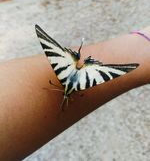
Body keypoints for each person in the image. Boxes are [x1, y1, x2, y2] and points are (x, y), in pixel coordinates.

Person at [0, 27, 150, 161]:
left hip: (73, 73)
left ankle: (141, 46)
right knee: (105, 73)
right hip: (78, 75)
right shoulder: (78, 87)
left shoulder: (72, 87)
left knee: (101, 72)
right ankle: (141, 44)